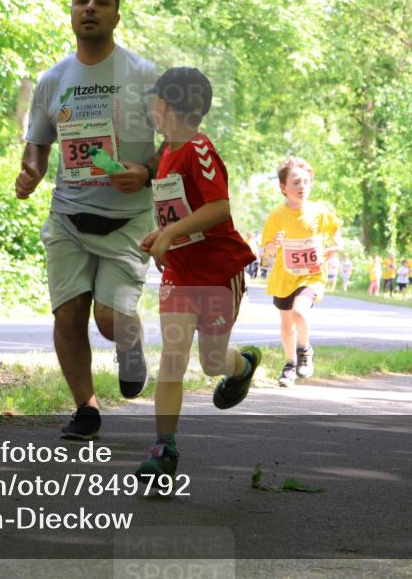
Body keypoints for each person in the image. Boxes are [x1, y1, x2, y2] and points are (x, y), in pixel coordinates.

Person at [15, 0, 163, 440]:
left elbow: (179, 143)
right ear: (72, 12)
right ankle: (86, 407)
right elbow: (37, 142)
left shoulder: (143, 75)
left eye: (102, 2)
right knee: (69, 313)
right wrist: (32, 171)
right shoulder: (54, 79)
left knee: (107, 318)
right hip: (67, 215)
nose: (91, 8)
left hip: (128, 219)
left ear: (117, 16)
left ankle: (130, 343)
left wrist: (145, 170)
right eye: (82, 0)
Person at [133, 67, 260, 478]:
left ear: (173, 106)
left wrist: (169, 233)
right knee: (173, 357)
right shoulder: (167, 152)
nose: (152, 108)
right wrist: (162, 234)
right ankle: (163, 450)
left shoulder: (198, 148)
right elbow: (181, 212)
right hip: (180, 273)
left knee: (210, 361)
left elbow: (218, 208)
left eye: (157, 101)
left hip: (218, 270)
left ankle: (241, 366)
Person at [260, 158, 343, 386]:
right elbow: (267, 249)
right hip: (285, 276)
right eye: (296, 182)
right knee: (287, 323)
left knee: (300, 312)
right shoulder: (277, 215)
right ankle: (289, 365)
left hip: (312, 275)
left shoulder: (318, 212)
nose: (302, 186)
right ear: (283, 188)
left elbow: (335, 229)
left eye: (306, 181)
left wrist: (337, 245)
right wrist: (273, 245)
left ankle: (304, 350)